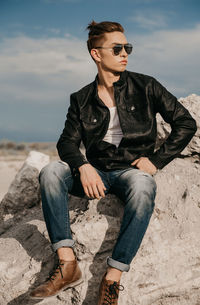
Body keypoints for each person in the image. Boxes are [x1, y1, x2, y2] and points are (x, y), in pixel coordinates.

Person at [30, 20, 197, 304]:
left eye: (127, 47)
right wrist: (83, 166)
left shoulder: (146, 86)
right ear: (97, 54)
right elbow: (66, 142)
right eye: (117, 48)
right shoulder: (81, 99)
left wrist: (156, 161)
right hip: (95, 171)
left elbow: (185, 122)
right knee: (50, 172)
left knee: (144, 188)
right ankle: (68, 264)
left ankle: (112, 278)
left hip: (131, 171)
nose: (125, 53)